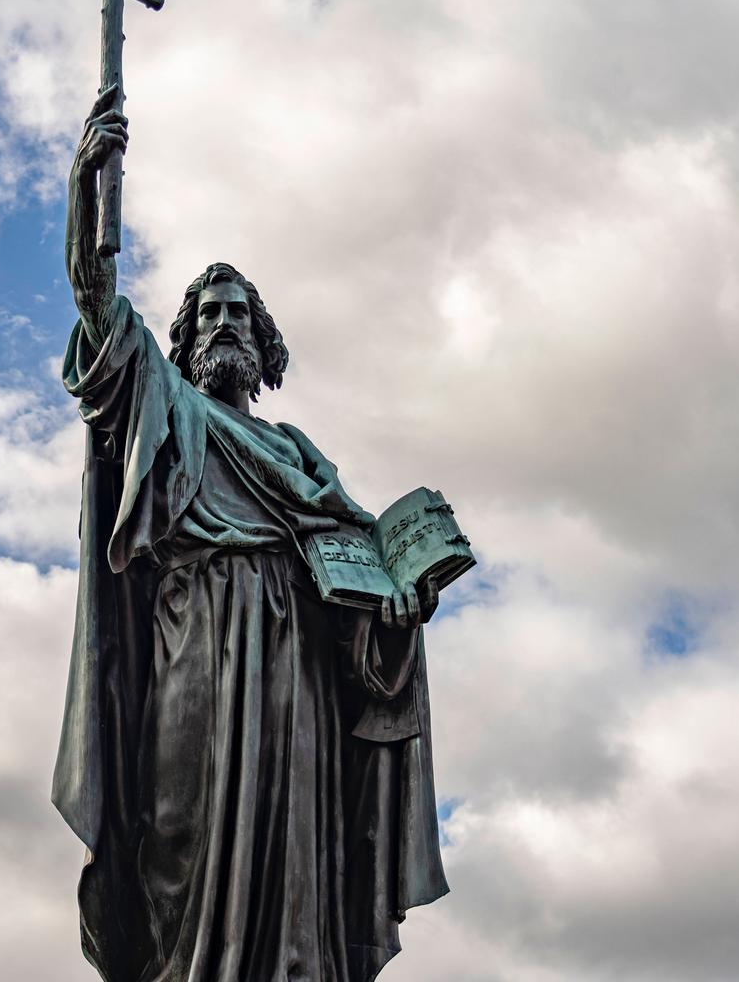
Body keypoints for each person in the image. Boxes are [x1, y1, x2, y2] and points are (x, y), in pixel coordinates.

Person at [50, 85, 449, 982]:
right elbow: (95, 304)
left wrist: (399, 608)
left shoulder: (299, 453)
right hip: (197, 639)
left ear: (263, 345)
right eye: (210, 314)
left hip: (297, 664)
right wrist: (89, 188)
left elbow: (354, 578)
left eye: (240, 314)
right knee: (181, 840)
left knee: (296, 854)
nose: (225, 324)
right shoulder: (167, 402)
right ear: (186, 340)